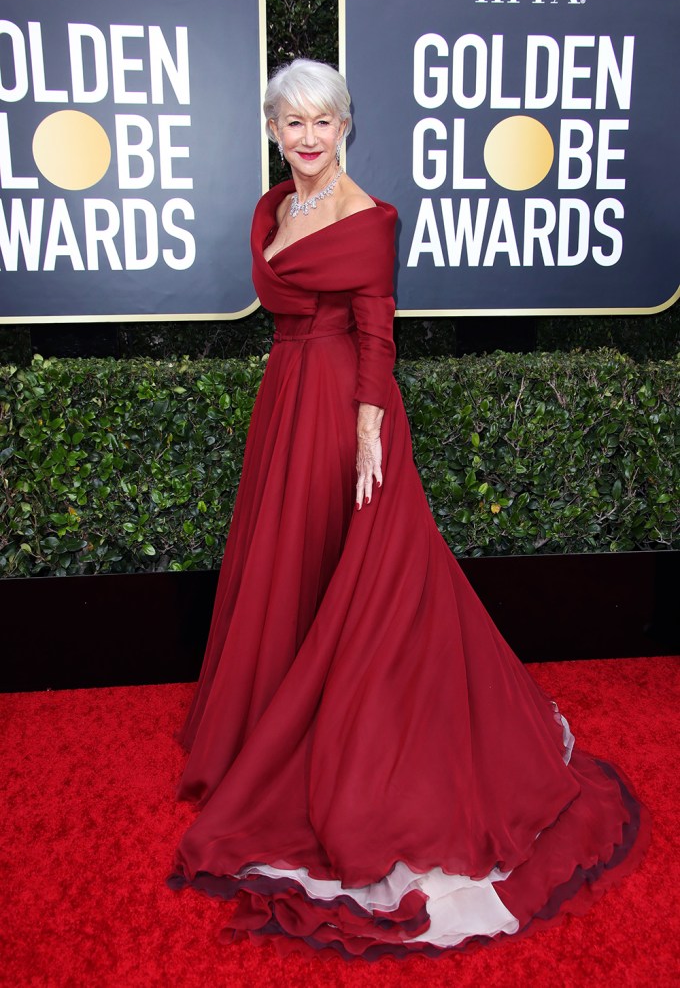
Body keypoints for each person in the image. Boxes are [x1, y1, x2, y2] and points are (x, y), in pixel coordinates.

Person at [167, 59, 650, 960]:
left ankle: (357, 739)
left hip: (347, 410)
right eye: (292, 122)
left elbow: (378, 330)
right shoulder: (274, 210)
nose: (308, 138)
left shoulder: (369, 218)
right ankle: (276, 715)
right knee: (292, 565)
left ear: (348, 123)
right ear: (274, 128)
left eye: (324, 121)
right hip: (285, 403)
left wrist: (369, 435)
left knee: (366, 583)